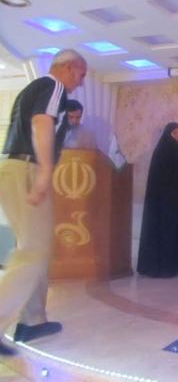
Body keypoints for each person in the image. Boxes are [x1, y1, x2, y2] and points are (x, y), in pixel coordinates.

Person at [0, 49, 87, 356]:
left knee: (34, 248)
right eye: (81, 74)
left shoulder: (34, 88)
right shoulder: (53, 85)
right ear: (69, 67)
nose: (81, 82)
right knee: (33, 251)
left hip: (15, 168)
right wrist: (45, 171)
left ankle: (33, 320)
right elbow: (41, 123)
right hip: (28, 169)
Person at [137, 122, 178, 277]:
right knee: (164, 233)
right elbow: (157, 181)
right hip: (163, 204)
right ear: (168, 134)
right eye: (175, 133)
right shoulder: (161, 152)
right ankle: (162, 267)